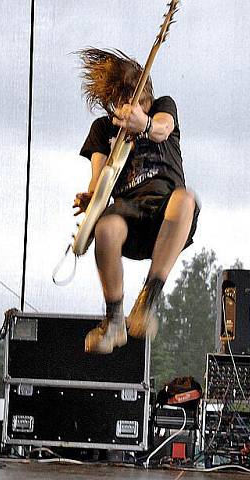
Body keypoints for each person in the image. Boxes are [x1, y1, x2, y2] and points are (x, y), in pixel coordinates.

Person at [72, 48, 199, 354]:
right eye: (121, 104)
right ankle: (114, 321)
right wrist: (91, 200)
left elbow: (162, 129)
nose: (128, 110)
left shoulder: (162, 107)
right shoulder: (103, 129)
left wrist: (144, 124)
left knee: (186, 199)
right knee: (106, 229)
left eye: (135, 102)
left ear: (146, 96)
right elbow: (98, 177)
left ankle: (148, 300)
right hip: (129, 213)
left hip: (166, 216)